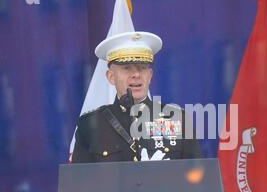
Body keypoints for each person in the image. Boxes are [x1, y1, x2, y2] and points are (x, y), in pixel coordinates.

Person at [71, 31, 201, 164]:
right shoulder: (90, 125)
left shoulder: (178, 120)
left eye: (142, 67)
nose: (136, 74)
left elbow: (198, 177)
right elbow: (80, 182)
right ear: (111, 77)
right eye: (127, 68)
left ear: (149, 75)